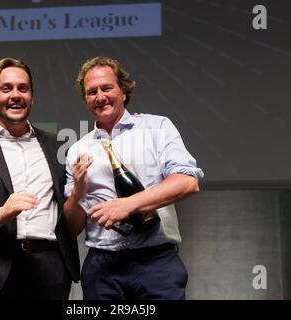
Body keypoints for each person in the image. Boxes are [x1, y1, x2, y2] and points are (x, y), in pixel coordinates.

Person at [63, 56, 204, 300]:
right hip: (102, 269)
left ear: (124, 91)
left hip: (156, 263)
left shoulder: (157, 128)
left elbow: (187, 182)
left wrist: (128, 205)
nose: (99, 97)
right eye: (91, 92)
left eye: (107, 88)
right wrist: (78, 190)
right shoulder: (77, 150)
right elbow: (73, 227)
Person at [0, 57, 80, 299]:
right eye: (6, 88)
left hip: (51, 272)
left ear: (32, 96)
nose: (15, 95)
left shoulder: (59, 146)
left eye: (23, 88)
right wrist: (0, 213)